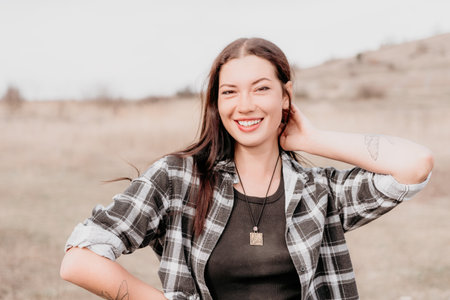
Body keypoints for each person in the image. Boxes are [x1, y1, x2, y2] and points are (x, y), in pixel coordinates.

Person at [60, 37, 434, 300]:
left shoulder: (318, 191)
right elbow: (79, 259)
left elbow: (415, 165)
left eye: (260, 89)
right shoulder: (177, 179)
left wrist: (311, 139)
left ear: (285, 96)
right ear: (216, 103)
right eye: (230, 91)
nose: (245, 105)